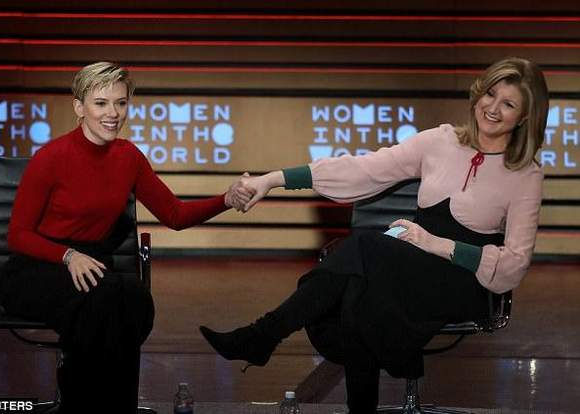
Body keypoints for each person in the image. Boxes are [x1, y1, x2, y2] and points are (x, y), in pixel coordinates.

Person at [200, 57, 549, 413]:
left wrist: (436, 244)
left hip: (462, 282)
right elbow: (362, 169)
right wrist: (272, 180)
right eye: (490, 94)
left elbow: (515, 263)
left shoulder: (526, 174)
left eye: (508, 104)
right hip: (410, 269)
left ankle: (264, 334)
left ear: (524, 117)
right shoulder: (441, 141)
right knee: (358, 289)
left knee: (365, 249)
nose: (493, 108)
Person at [0, 61, 252, 413]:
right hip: (37, 266)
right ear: (79, 107)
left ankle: (119, 407)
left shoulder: (128, 157)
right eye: (101, 103)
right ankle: (81, 404)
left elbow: (175, 215)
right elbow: (17, 235)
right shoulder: (50, 158)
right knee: (100, 302)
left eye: (120, 103)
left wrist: (226, 199)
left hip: (92, 265)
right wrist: (68, 256)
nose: (113, 113)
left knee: (132, 297)